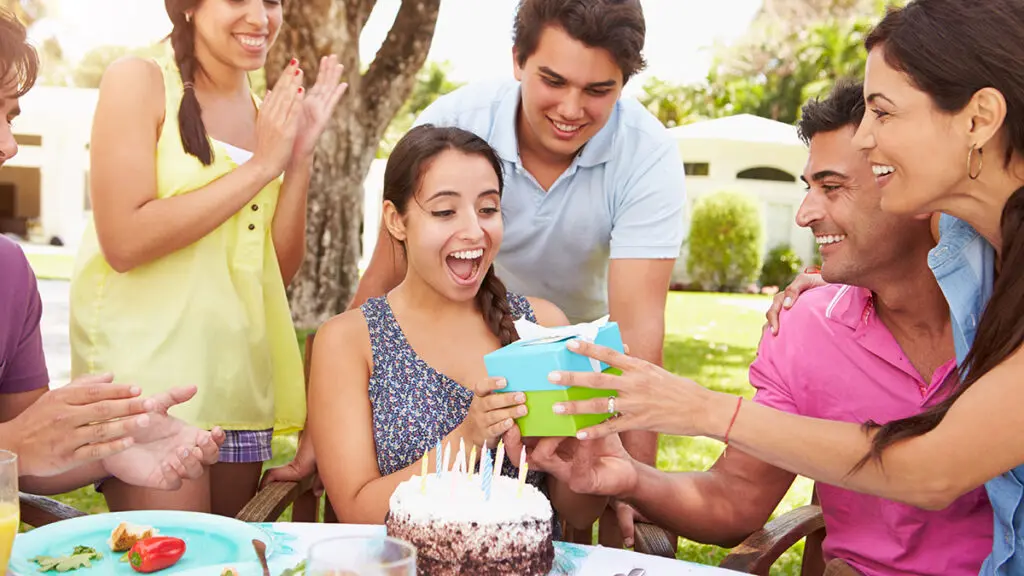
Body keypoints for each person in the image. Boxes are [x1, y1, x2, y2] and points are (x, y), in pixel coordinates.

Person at [537, 1, 1024, 573]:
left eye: (883, 113)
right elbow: (734, 499)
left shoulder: (984, 275)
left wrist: (699, 407)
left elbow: (935, 468)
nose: (868, 138)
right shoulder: (961, 261)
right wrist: (631, 476)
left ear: (980, 119)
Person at [334, 0, 685, 546]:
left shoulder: (646, 155)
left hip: (549, 338)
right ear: (518, 60)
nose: (572, 108)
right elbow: (384, 273)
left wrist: (628, 480)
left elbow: (638, 332)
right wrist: (328, 415)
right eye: (554, 80)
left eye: (599, 91)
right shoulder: (457, 125)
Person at [66, 0, 346, 516]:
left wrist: (298, 155)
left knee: (224, 563)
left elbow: (275, 270)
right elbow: (123, 241)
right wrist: (262, 166)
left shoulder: (268, 117)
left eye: (273, 2)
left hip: (238, 386)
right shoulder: (140, 81)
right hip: (151, 388)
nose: (261, 18)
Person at [306, 124, 606, 532]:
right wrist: (467, 437)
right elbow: (357, 510)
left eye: (487, 209)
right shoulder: (348, 341)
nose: (474, 231)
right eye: (445, 211)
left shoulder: (542, 326)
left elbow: (579, 514)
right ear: (396, 221)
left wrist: (586, 446)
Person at [0, 7, 223, 495]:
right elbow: (17, 442)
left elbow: (25, 462)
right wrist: (14, 440)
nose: (8, 145)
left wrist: (114, 443)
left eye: (10, 117)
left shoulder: (9, 272)